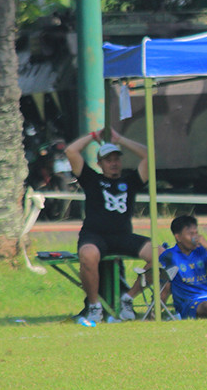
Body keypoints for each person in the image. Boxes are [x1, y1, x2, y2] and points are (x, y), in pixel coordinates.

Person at [65, 128, 152, 324]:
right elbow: (71, 151)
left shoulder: (130, 181)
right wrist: (94, 136)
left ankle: (128, 298)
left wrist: (121, 139)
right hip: (95, 235)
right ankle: (95, 306)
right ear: (100, 164)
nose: (113, 163)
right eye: (108, 160)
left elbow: (149, 156)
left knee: (160, 255)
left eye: (117, 159)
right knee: (87, 255)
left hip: (122, 236)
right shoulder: (92, 179)